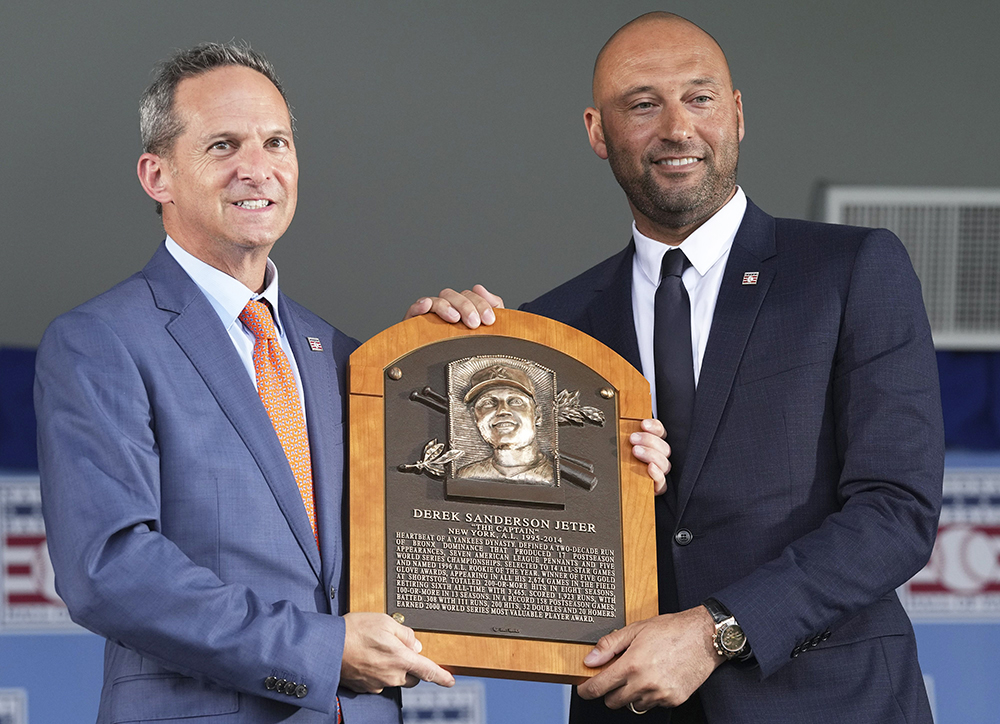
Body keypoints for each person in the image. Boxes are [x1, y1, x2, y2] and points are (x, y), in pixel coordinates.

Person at [410, 12, 943, 724]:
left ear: (738, 115)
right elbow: (502, 538)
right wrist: (439, 358)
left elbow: (895, 510)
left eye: (699, 98)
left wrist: (718, 630)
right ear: (598, 133)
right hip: (627, 708)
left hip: (830, 702)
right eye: (642, 104)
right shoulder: (550, 332)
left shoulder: (850, 271)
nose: (677, 128)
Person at [34, 43, 467, 723]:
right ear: (158, 175)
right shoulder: (101, 342)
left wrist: (447, 373)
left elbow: (438, 527)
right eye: (223, 145)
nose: (256, 169)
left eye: (276, 142)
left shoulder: (347, 357)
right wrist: (320, 651)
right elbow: (109, 570)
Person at [456, 363, 555, 485]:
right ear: (475, 417)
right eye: (488, 403)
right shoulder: (465, 476)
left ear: (537, 415)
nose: (502, 411)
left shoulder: (555, 475)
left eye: (515, 401)